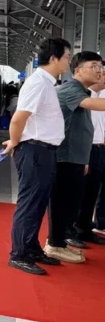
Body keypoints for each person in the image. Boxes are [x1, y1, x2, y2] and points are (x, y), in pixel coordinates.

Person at [1, 38, 70, 275]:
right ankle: (18, 254)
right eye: (67, 58)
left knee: (39, 204)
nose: (68, 62)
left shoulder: (47, 83)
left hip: (44, 151)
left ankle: (31, 249)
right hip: (34, 150)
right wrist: (16, 142)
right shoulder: (38, 83)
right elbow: (19, 118)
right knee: (30, 204)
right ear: (53, 59)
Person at [52, 51, 105, 254]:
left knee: (73, 200)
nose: (99, 71)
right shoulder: (71, 90)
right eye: (94, 66)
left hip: (77, 156)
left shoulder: (82, 91)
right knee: (63, 202)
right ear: (78, 69)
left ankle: (60, 241)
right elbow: (93, 105)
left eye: (100, 67)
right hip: (65, 156)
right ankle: (56, 242)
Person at [73, 72, 105, 245]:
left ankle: (86, 228)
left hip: (101, 148)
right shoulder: (84, 97)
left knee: (93, 191)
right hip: (87, 149)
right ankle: (74, 230)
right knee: (81, 192)